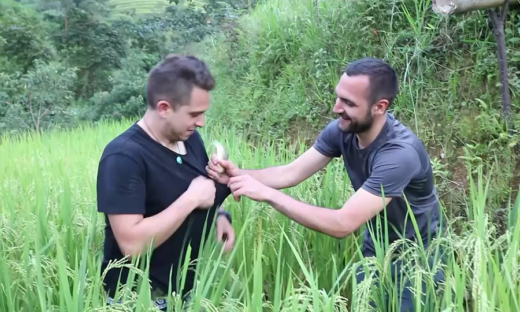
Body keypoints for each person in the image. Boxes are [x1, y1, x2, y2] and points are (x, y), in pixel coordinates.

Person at [206, 57, 444, 311]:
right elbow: (290, 173)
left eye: (348, 103)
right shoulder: (342, 130)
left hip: (420, 259)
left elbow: (343, 224)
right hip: (376, 247)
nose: (336, 108)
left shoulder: (398, 154)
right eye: (338, 97)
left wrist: (268, 195)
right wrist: (235, 176)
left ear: (379, 106)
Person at [96, 54, 234, 311]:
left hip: (184, 289)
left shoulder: (190, 139)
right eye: (194, 114)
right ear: (164, 108)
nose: (201, 122)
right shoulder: (123, 157)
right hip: (138, 299)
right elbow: (132, 244)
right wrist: (190, 199)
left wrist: (219, 214)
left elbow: (197, 187)